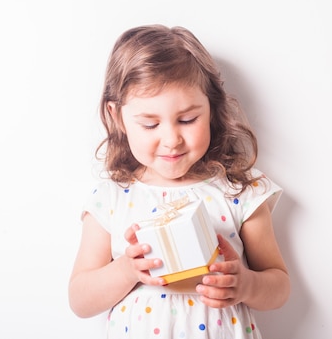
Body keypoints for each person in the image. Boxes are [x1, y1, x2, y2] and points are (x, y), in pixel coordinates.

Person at [68, 24, 290, 338]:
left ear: (212, 109)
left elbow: (279, 286)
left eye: (187, 119)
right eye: (150, 124)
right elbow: (80, 299)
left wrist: (247, 284)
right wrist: (128, 269)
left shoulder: (238, 190)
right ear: (117, 117)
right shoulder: (112, 198)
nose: (171, 139)